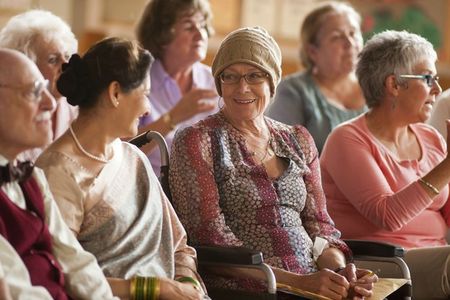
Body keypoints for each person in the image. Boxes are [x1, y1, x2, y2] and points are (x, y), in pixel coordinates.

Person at [169, 26, 377, 300]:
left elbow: (320, 228)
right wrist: (298, 283)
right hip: (246, 289)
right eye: (229, 77)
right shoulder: (198, 140)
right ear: (219, 84)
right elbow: (209, 241)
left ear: (272, 82)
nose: (242, 87)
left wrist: (341, 273)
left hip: (313, 286)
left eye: (254, 76)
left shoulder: (297, 139)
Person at [36, 37, 207, 300]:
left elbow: (179, 246)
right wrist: (158, 289)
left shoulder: (132, 157)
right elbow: (63, 276)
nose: (148, 108)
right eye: (145, 95)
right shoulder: (59, 171)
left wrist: (186, 283)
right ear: (116, 93)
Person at [320, 30, 450, 299]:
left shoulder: (431, 138)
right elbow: (387, 215)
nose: (437, 89)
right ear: (394, 85)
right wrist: (448, 167)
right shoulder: (347, 139)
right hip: (380, 263)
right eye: (428, 78)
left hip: (435, 258)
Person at [0, 48, 116, 299]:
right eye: (33, 91)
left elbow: (74, 260)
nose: (51, 102)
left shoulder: (31, 178)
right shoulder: (54, 167)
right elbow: (15, 290)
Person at [265, 1, 366, 153]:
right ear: (313, 51)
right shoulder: (293, 91)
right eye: (337, 37)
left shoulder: (377, 87)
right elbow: (282, 159)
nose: (350, 43)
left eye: (353, 33)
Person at [136, 0, 218, 175]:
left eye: (202, 25)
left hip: (206, 191)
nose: (200, 34)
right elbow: (122, 150)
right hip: (152, 190)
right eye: (189, 27)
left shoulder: (216, 81)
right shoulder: (137, 81)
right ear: (162, 35)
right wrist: (173, 118)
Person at [0, 9, 78, 162]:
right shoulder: (12, 119)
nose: (66, 65)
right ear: (25, 66)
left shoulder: (78, 111)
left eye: (67, 56)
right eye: (53, 60)